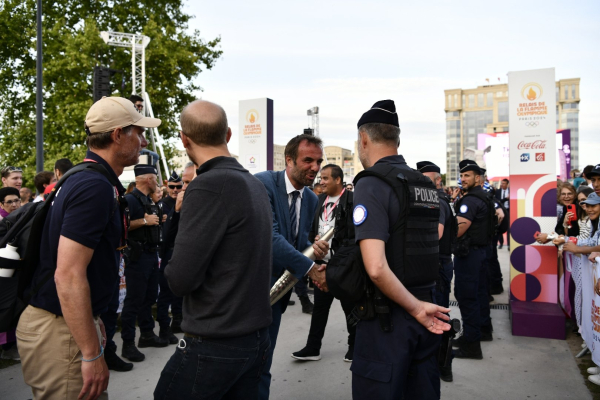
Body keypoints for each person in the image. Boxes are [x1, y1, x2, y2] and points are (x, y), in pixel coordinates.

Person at [17, 96, 159, 400]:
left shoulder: (90, 179)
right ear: (118, 134)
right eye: (138, 131)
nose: (144, 140)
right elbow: (67, 275)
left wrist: (93, 323)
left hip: (64, 323)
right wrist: (92, 353)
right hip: (58, 328)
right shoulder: (94, 186)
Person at [154, 100, 273, 399]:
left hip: (216, 340)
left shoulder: (208, 185)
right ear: (229, 134)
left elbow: (180, 279)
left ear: (184, 139)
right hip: (254, 336)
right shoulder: (254, 184)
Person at [351, 100, 450, 399]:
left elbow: (376, 267)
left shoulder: (372, 183)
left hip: (391, 315)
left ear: (364, 139)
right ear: (397, 139)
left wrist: (414, 308)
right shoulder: (423, 183)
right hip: (426, 307)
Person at [255, 134, 329, 400]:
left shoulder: (310, 199)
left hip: (279, 293)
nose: (315, 167)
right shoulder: (262, 184)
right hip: (251, 292)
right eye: (307, 160)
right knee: (248, 363)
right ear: (288, 160)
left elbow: (299, 241)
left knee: (263, 361)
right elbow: (270, 238)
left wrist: (314, 246)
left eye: (319, 161)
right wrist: (311, 269)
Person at [291, 164, 357, 363]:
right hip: (320, 265)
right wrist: (314, 244)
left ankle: (355, 347)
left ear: (338, 180)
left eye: (326, 178)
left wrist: (336, 257)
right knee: (320, 308)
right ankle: (313, 348)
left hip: (342, 267)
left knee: (350, 307)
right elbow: (311, 230)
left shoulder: (353, 201)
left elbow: (354, 238)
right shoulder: (318, 200)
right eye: (321, 178)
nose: (321, 182)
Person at [120, 164, 168, 362]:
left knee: (148, 298)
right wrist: (145, 221)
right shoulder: (129, 200)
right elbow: (121, 226)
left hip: (150, 255)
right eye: (155, 179)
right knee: (133, 301)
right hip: (137, 257)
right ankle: (127, 344)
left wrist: (157, 221)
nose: (157, 183)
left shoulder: (148, 199)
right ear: (148, 179)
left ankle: (147, 334)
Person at [451, 159, 495, 360]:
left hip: (469, 255)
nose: (463, 179)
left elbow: (459, 229)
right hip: (481, 253)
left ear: (478, 178)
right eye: (461, 175)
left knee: (467, 296)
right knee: (478, 295)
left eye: (467, 175)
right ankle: (481, 332)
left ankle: (471, 345)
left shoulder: (470, 201)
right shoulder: (484, 197)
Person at [418, 160, 455, 382]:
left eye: (426, 178)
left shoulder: (438, 202)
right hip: (441, 263)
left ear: (437, 180)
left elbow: (437, 234)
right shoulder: (440, 199)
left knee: (438, 317)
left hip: (439, 264)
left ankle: (443, 365)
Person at [157, 162, 195, 336]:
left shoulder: (189, 200)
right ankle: (165, 328)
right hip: (168, 251)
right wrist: (176, 211)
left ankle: (178, 322)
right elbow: (166, 232)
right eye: (172, 187)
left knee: (180, 291)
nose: (175, 190)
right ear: (167, 186)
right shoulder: (163, 204)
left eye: (178, 186)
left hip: (184, 251)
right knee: (165, 291)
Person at [495, 178, 510, 249]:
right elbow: (498, 201)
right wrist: (506, 198)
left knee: (509, 227)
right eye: (502, 183)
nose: (502, 185)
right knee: (499, 227)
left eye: (504, 183)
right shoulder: (498, 192)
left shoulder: (511, 191)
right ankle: (501, 243)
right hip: (500, 210)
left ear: (507, 184)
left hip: (509, 210)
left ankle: (509, 244)